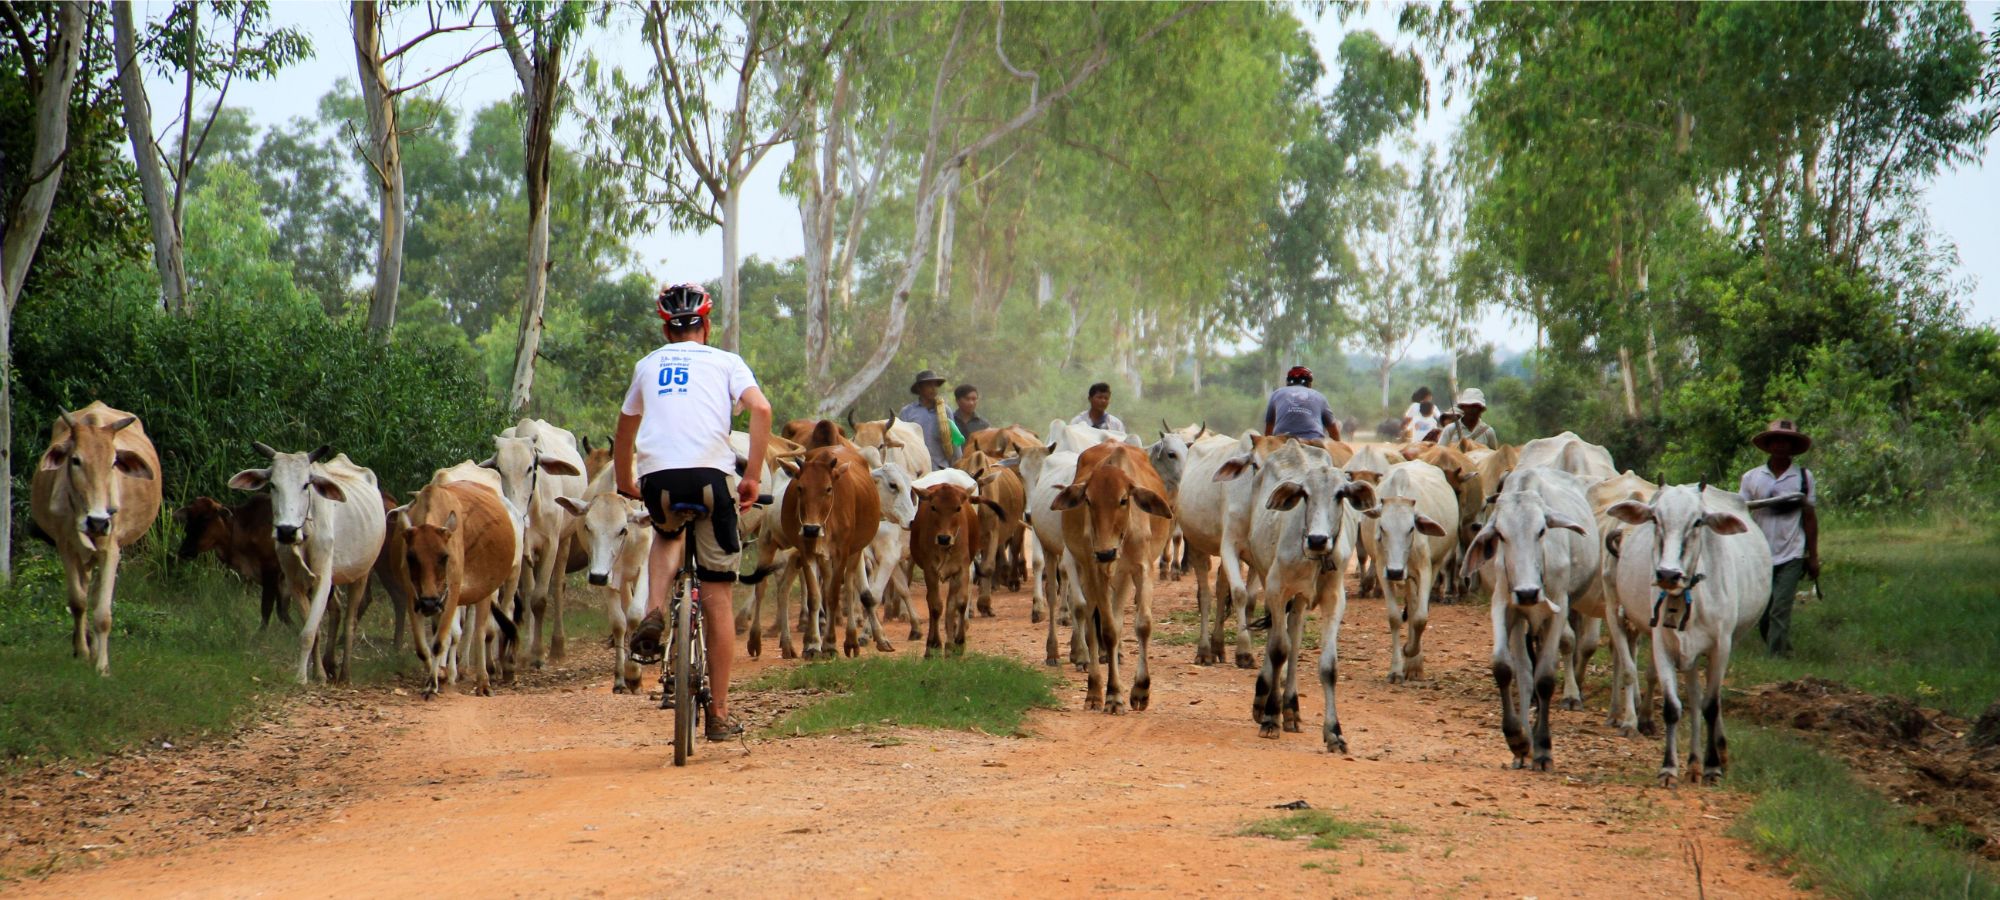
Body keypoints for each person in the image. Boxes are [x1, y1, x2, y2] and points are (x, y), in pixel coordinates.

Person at [616, 283, 772, 743]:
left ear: (667, 330)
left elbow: (626, 426)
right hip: (711, 480)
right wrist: (754, 477)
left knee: (667, 534)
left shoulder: (647, 365)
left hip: (660, 482)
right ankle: (720, 715)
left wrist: (627, 481)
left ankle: (655, 608)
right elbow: (760, 409)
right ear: (706, 325)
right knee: (719, 598)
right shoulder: (726, 361)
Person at [1738, 419, 1819, 658]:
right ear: (1770, 445)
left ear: (1792, 447)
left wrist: (1813, 556)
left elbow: (1810, 518)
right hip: (1760, 553)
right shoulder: (1752, 478)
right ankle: (1783, 650)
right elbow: (1742, 513)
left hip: (1792, 552)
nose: (1781, 446)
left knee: (1780, 608)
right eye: (1777, 441)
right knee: (1762, 611)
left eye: (1787, 442)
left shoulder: (1803, 477)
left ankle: (1776, 658)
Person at [897, 370, 959, 470]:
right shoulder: (907, 412)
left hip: (941, 468)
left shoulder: (945, 411)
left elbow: (955, 441)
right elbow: (901, 442)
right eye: (929, 385)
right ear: (919, 388)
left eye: (935, 385)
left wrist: (958, 466)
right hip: (916, 469)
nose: (933, 389)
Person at [1263, 365, 1340, 440]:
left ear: (1288, 382)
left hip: (1281, 441)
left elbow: (1268, 431)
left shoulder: (1276, 394)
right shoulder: (1320, 396)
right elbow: (1334, 432)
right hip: (1313, 441)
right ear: (1309, 384)